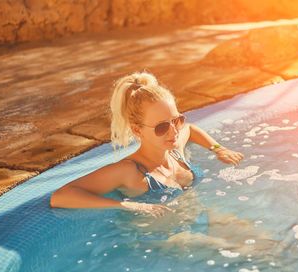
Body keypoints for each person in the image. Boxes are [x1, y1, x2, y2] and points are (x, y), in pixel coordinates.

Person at [50, 71, 244, 216]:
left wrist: (218, 149)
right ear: (137, 130)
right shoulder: (129, 171)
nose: (174, 131)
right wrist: (126, 205)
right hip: (165, 240)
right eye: (161, 127)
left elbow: (190, 129)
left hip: (197, 219)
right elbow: (61, 196)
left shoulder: (175, 149)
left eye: (176, 120)